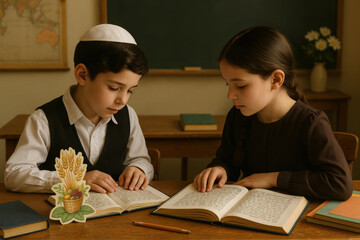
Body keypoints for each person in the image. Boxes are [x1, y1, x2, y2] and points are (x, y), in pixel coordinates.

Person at [193, 26, 352, 201]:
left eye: (241, 85)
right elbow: (227, 160)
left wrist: (273, 178)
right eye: (227, 84)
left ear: (276, 79)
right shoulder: (237, 116)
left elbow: (340, 184)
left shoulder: (310, 122)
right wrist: (220, 169)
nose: (230, 95)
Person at [5, 24, 154, 194]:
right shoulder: (44, 119)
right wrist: (74, 179)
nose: (122, 100)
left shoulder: (128, 116)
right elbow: (14, 174)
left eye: (130, 91)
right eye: (113, 88)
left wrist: (139, 169)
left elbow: (140, 159)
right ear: (82, 75)